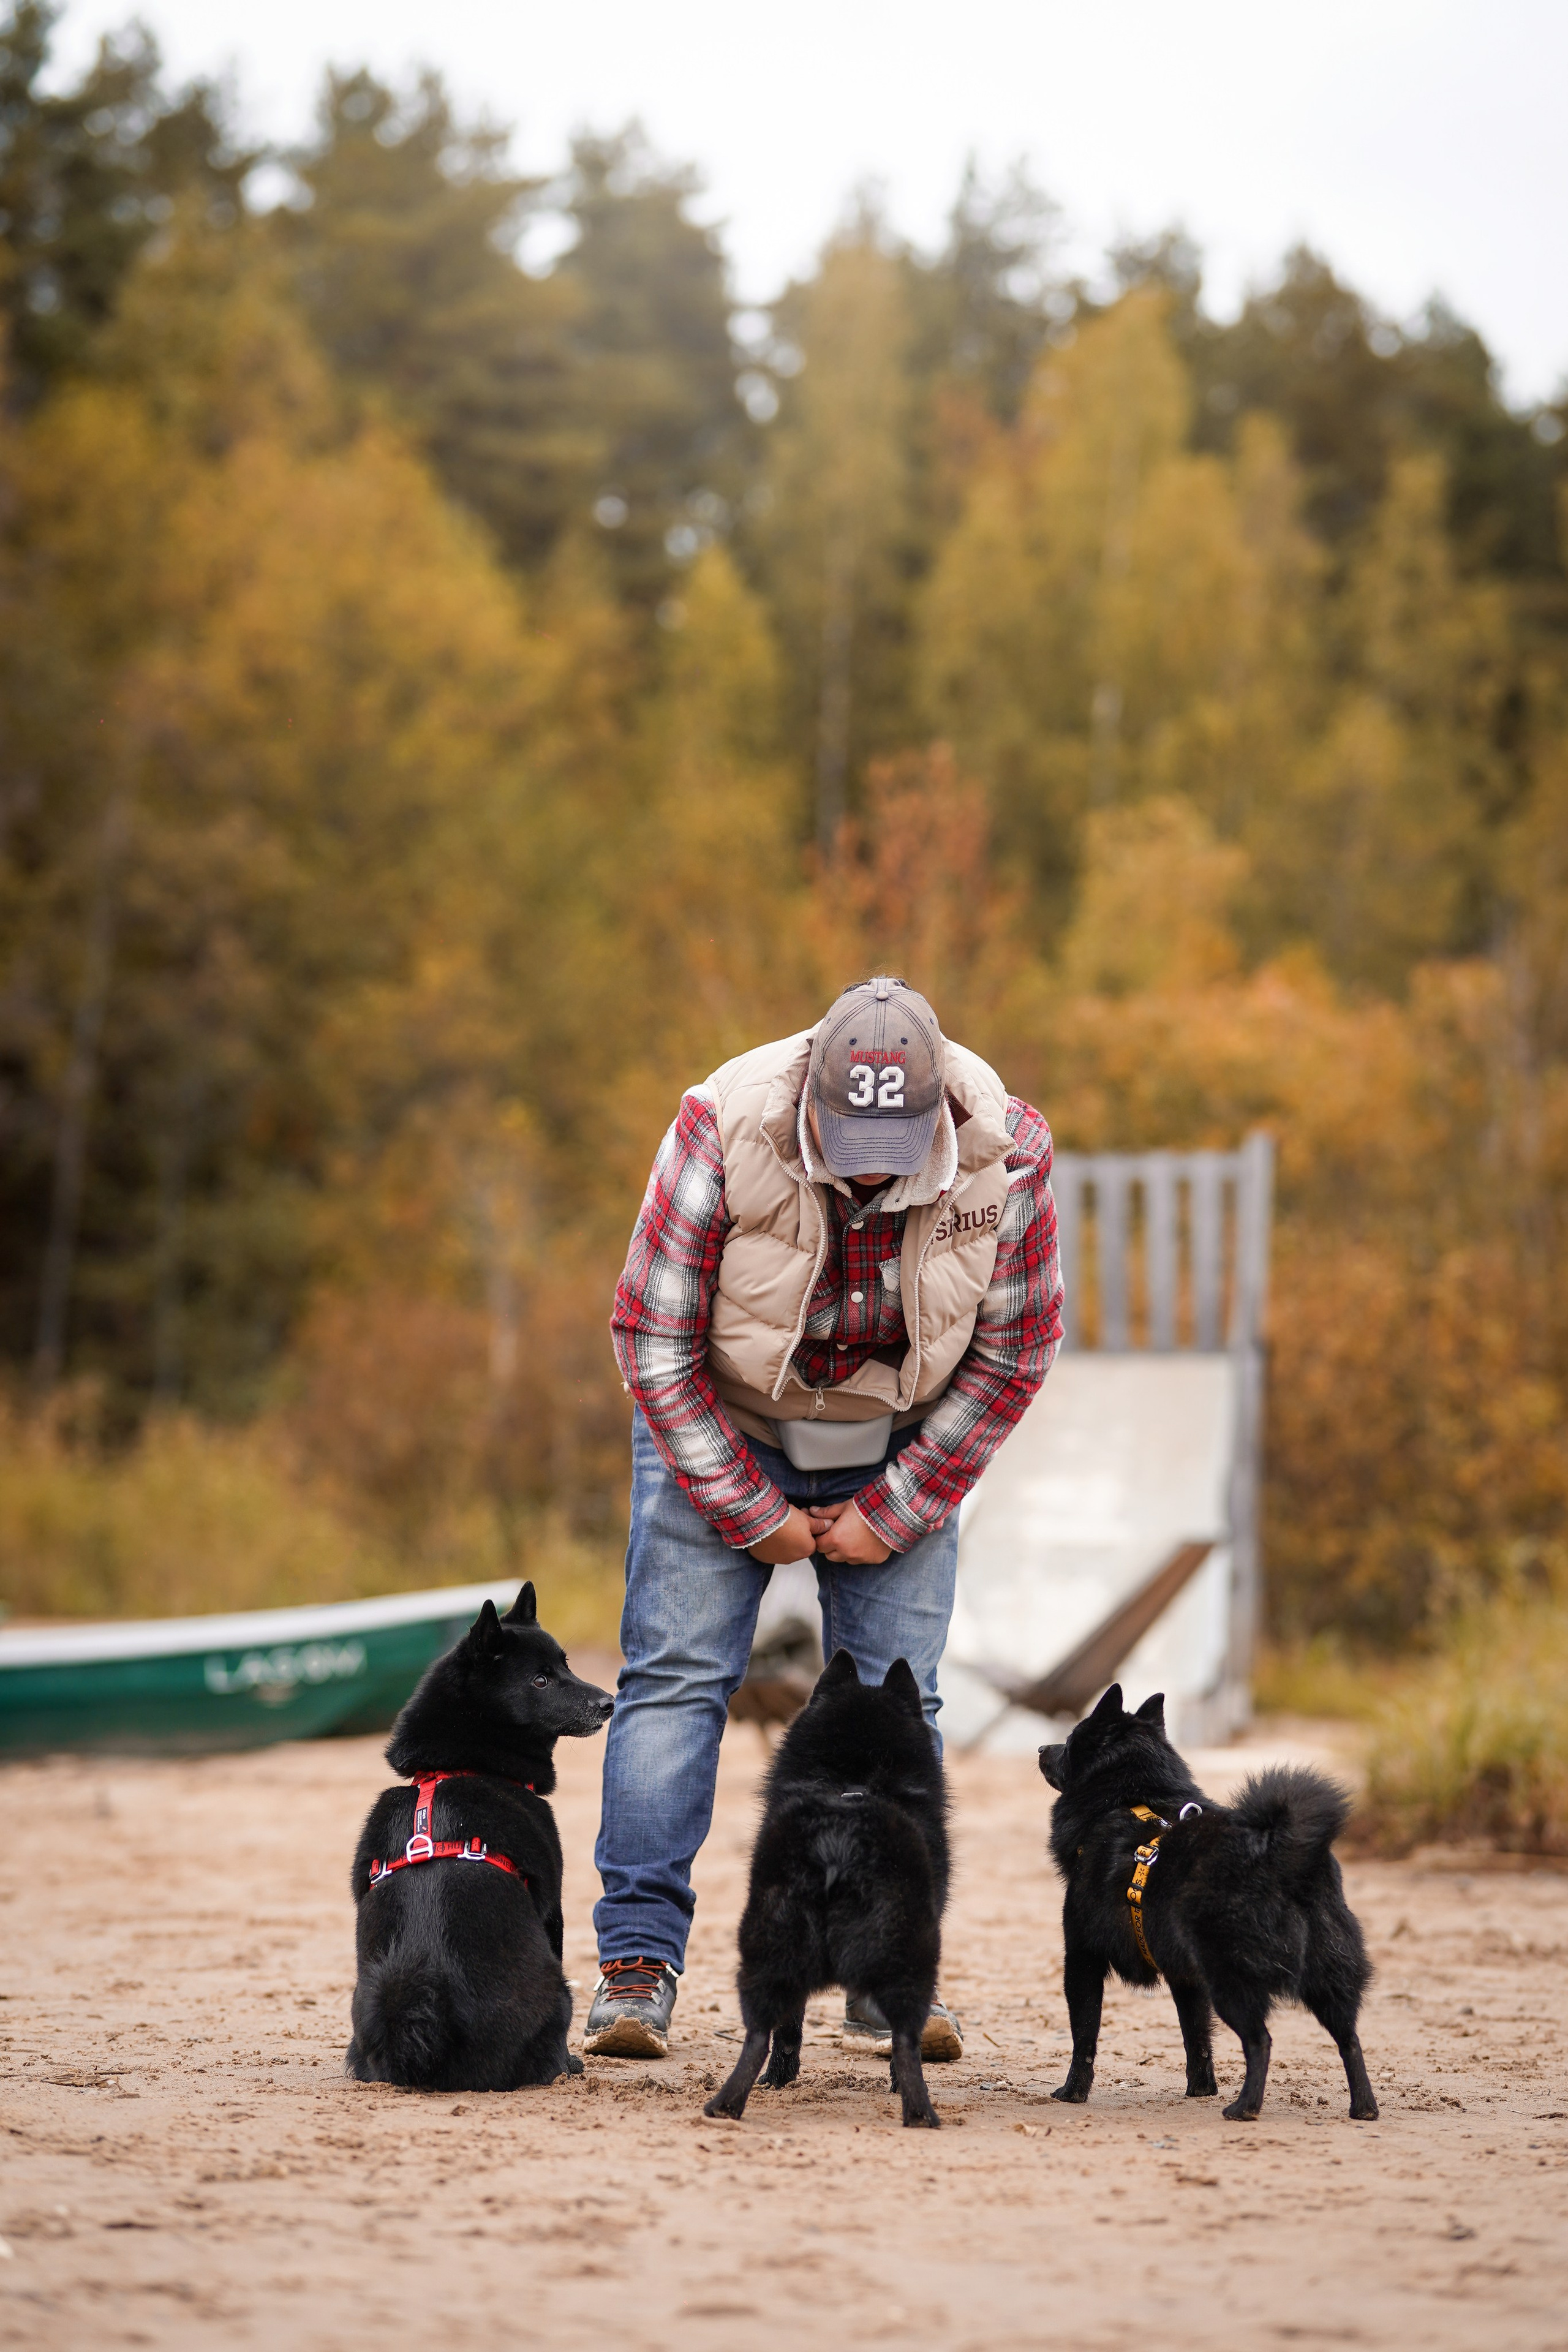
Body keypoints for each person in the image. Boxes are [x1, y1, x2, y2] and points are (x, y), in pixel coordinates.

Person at [584, 976, 1063, 2058]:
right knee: (675, 1679)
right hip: (724, 1414)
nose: (868, 1171)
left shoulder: (1012, 1152)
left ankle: (888, 1977)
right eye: (848, 1144)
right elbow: (651, 1337)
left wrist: (898, 1510)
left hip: (903, 1431)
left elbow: (1017, 1349)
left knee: (902, 1701)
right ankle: (636, 1965)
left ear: (938, 1111)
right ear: (811, 1093)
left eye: (892, 1150)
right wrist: (748, 1510)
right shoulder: (719, 1124)